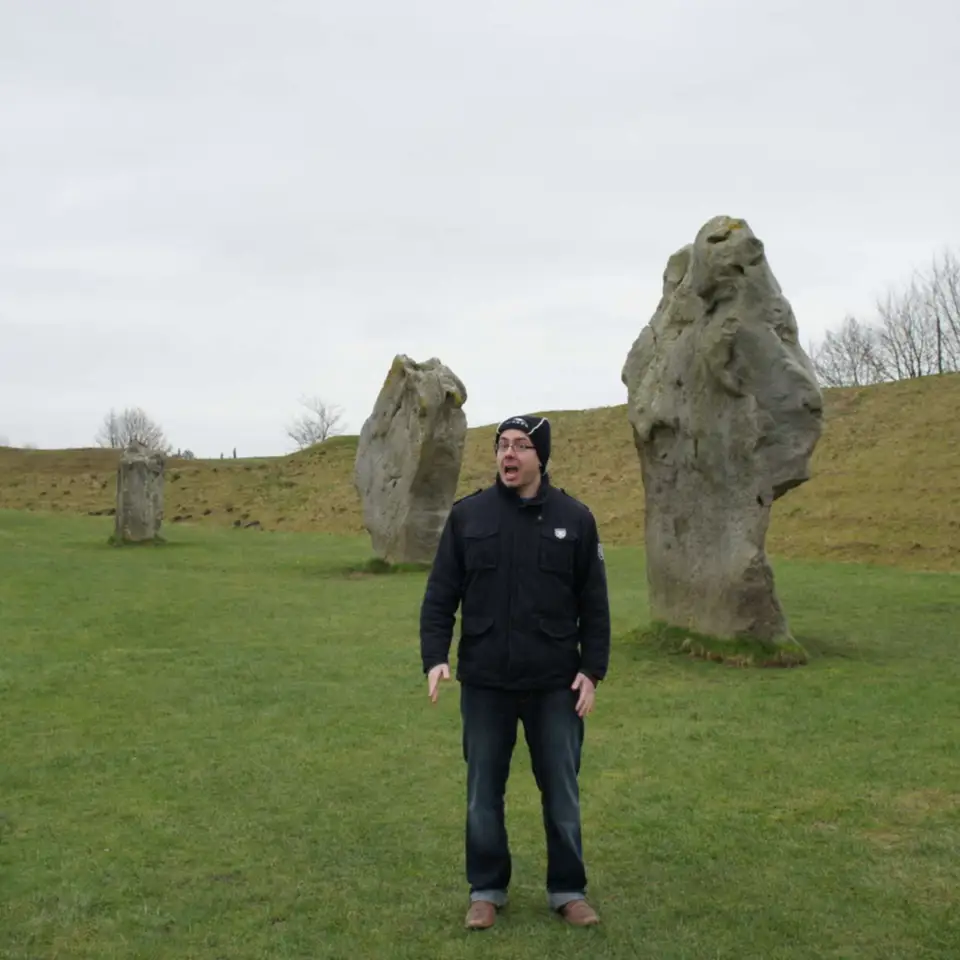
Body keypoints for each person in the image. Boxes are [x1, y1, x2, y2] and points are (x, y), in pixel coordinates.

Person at [419, 413, 611, 930]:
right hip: (485, 683)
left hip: (555, 685)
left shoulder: (576, 518)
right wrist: (436, 656)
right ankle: (486, 890)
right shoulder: (469, 518)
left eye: (521, 446)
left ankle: (568, 890)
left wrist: (592, 671)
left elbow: (594, 605)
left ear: (540, 457)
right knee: (484, 792)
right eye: (502, 445)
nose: (508, 454)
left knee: (562, 792)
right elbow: (440, 595)